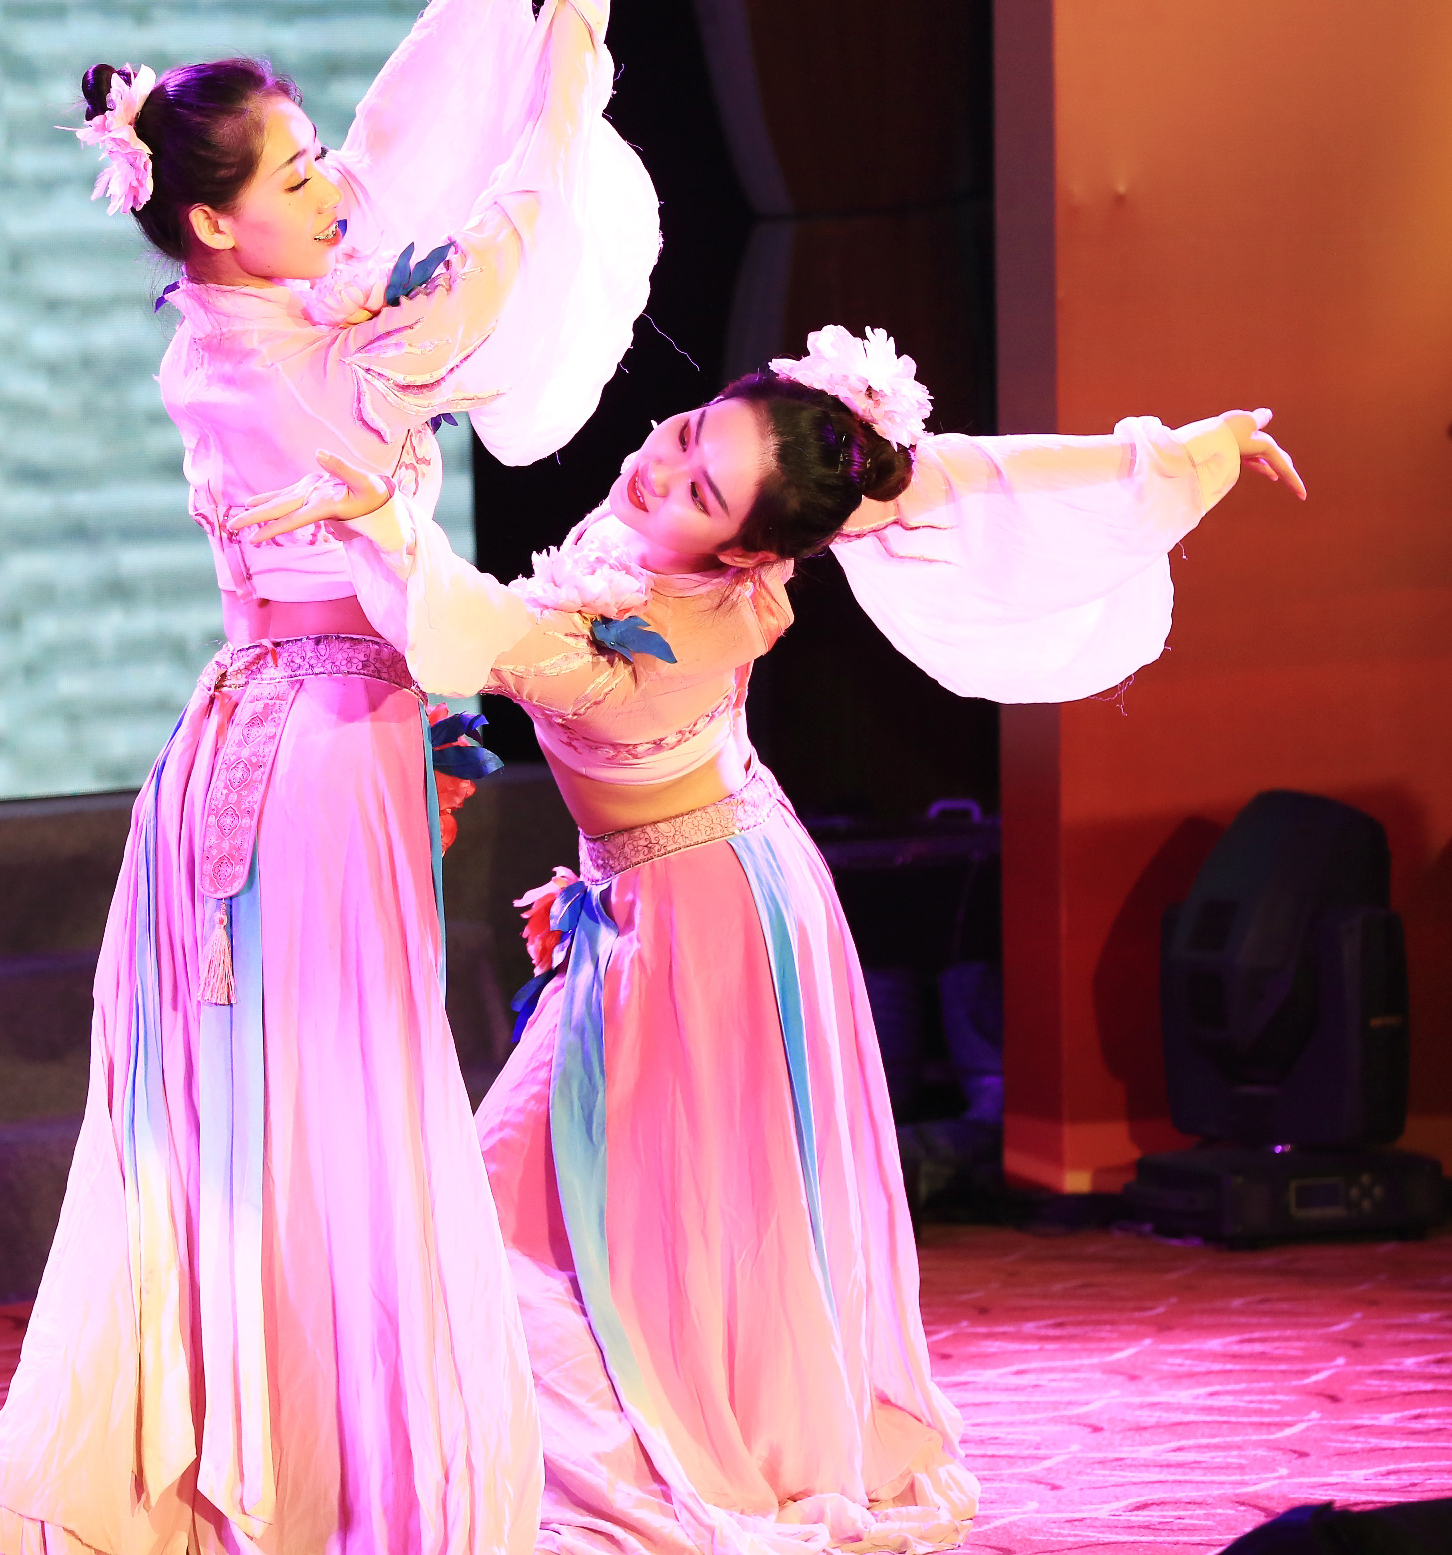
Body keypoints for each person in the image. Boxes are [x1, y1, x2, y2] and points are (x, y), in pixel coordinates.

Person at [230, 323, 1305, 1552]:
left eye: (699, 488)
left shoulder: (633, 636)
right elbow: (957, 470)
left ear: (744, 548)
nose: (658, 469)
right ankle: (497, 1427)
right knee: (546, 1198)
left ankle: (652, 1441)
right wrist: (1182, 452)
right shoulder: (743, 515)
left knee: (658, 1222)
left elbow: (474, 629)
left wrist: (379, 517)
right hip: (678, 883)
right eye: (686, 433)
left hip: (707, 929)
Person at [0, 0, 714, 1552]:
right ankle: (330, 1461)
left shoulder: (255, 305)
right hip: (305, 760)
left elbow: (391, 142)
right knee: (339, 1094)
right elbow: (493, 254)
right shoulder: (295, 364)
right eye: (291, 177)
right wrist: (569, 32)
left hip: (296, 735)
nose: (332, 189)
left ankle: (299, 1436)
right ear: (219, 222)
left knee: (310, 1097)